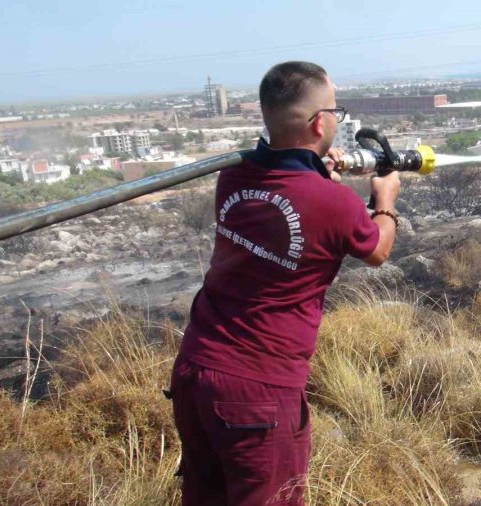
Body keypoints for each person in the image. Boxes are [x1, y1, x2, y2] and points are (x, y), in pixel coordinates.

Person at [168, 61, 401, 506]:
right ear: (319, 122)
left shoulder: (234, 175)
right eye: (336, 110)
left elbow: (289, 203)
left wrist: (319, 176)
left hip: (196, 371)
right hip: (257, 390)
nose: (338, 119)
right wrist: (385, 200)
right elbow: (377, 251)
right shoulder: (332, 202)